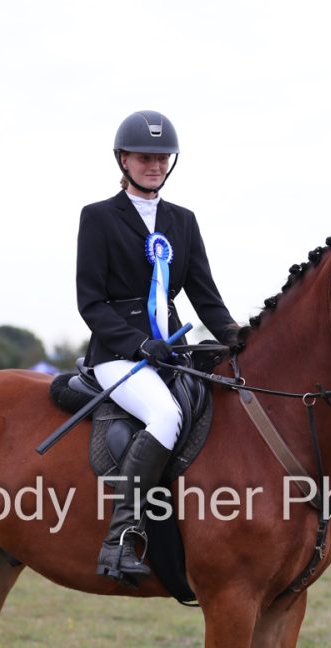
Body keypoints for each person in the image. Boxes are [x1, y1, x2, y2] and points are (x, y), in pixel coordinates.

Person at [77, 110, 237, 582]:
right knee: (165, 415)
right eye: (144, 157)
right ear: (123, 160)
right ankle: (120, 538)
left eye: (162, 157)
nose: (154, 165)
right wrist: (138, 343)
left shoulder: (182, 221)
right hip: (117, 355)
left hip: (170, 352)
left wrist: (240, 339)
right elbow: (91, 302)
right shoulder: (98, 217)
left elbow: (205, 297)